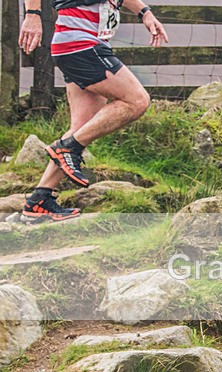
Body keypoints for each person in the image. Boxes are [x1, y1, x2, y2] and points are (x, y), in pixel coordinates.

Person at [18, 0, 168, 221]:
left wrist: (145, 12)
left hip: (84, 43)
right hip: (80, 44)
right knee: (137, 101)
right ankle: (68, 149)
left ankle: (39, 200)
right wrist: (32, 14)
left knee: (81, 129)